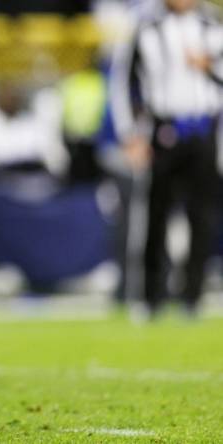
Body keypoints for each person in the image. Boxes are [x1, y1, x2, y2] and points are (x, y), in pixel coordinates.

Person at [111, 0, 223, 317]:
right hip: (164, 130)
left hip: (203, 130)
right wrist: (131, 133)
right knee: (156, 216)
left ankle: (193, 298)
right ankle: (151, 297)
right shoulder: (147, 28)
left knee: (201, 218)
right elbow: (126, 83)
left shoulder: (213, 27)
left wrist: (210, 67)